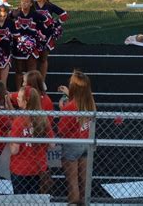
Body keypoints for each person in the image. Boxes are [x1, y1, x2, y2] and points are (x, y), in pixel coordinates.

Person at [58, 71, 96, 205]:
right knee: (84, 181)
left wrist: (63, 110)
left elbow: (62, 131)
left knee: (73, 183)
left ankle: (74, 203)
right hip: (85, 143)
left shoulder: (69, 107)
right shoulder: (90, 102)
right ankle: (85, 203)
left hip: (72, 145)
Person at [9, 86, 54, 195]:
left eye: (19, 97)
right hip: (38, 167)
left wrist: (9, 137)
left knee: (20, 201)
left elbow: (14, 150)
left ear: (27, 101)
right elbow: (52, 144)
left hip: (20, 169)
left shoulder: (19, 121)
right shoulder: (43, 119)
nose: (17, 99)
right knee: (36, 200)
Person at [34, 0, 68, 80]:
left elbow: (65, 15)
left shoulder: (49, 6)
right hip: (34, 35)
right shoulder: (33, 5)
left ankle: (42, 80)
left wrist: (56, 24)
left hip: (47, 35)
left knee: (43, 59)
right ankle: (33, 80)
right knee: (34, 59)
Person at [11, 0, 45, 90]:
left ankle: (32, 92)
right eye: (22, 1)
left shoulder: (35, 14)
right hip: (18, 46)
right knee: (19, 71)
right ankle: (18, 92)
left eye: (26, 1)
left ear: (31, 4)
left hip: (32, 47)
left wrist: (41, 36)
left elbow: (47, 23)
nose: (24, 3)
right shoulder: (15, 13)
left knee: (31, 72)